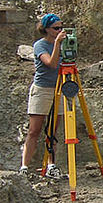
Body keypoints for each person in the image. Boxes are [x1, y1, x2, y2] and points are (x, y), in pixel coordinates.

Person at [19, 13, 66, 179]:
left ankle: (51, 165)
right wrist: (58, 44)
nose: (60, 30)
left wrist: (63, 46)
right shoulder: (40, 45)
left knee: (52, 131)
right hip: (42, 90)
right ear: (47, 29)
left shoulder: (63, 44)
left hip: (59, 89)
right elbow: (52, 64)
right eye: (56, 28)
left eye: (61, 27)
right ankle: (25, 167)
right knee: (34, 130)